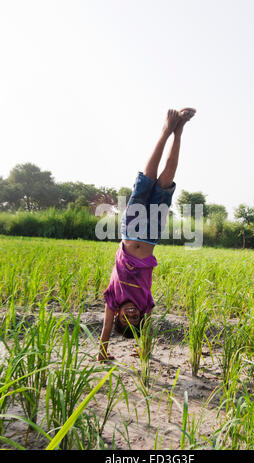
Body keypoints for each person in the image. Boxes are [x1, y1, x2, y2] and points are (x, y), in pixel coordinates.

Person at [97, 107, 196, 361]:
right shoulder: (145, 304)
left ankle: (166, 130)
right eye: (135, 318)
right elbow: (147, 331)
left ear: (118, 315)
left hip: (131, 230)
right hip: (151, 234)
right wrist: (144, 350)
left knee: (146, 180)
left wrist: (103, 352)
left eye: (126, 318)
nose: (132, 314)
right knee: (165, 184)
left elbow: (105, 330)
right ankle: (179, 132)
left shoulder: (113, 298)